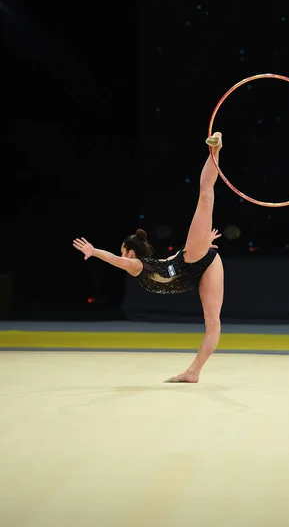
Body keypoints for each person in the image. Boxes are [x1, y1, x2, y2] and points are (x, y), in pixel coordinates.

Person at [73, 132, 224, 383]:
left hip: (194, 257)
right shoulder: (144, 266)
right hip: (202, 265)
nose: (122, 256)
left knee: (206, 196)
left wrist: (94, 251)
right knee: (212, 322)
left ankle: (216, 149)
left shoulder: (135, 265)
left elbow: (114, 259)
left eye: (123, 251)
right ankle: (193, 372)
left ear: (130, 253)